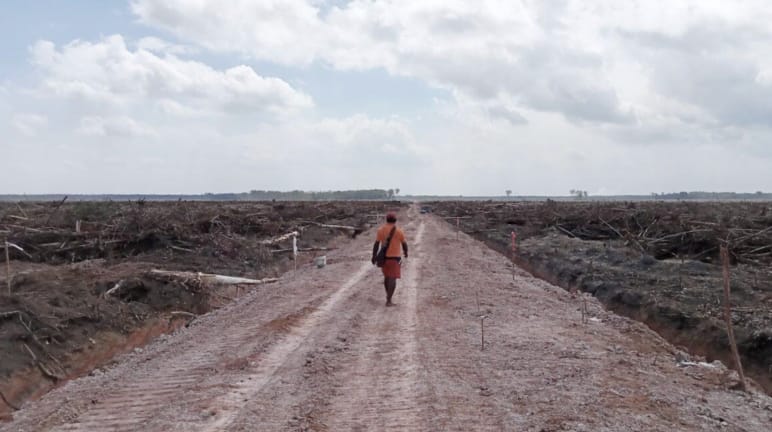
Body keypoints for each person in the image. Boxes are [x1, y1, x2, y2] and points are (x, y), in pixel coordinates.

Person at [371, 211, 408, 306]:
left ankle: (388, 297)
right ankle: (389, 300)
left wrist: (374, 256)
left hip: (384, 258)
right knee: (392, 279)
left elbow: (376, 244)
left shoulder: (381, 230)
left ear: (386, 219)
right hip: (395, 258)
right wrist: (406, 253)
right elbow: (404, 244)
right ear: (395, 220)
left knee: (387, 277)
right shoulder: (399, 231)